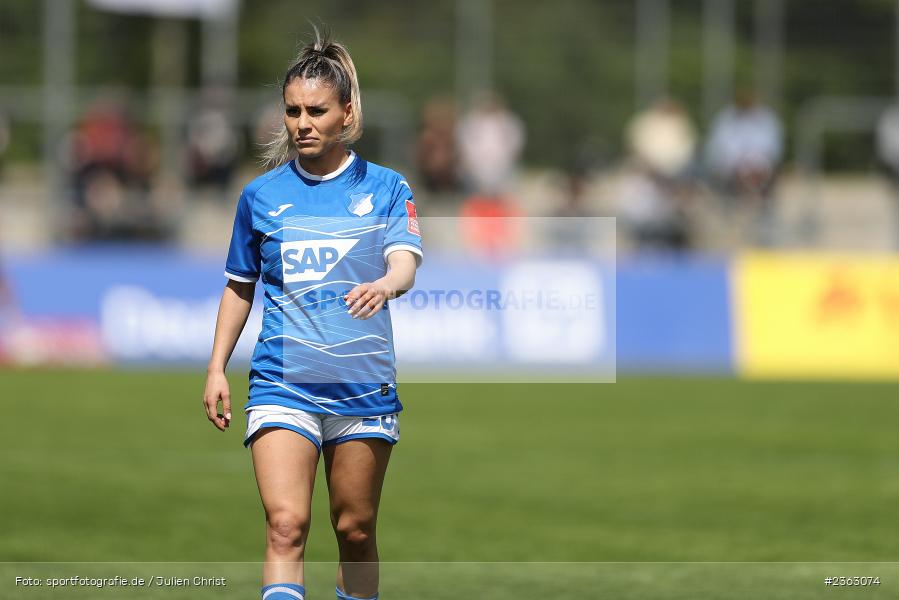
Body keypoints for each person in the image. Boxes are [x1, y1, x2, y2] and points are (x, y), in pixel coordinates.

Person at [203, 30, 422, 600]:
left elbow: (405, 263)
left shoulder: (386, 188)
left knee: (355, 530)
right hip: (283, 382)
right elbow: (239, 287)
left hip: (362, 385)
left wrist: (386, 284)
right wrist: (215, 367)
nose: (301, 122)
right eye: (293, 111)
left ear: (347, 113)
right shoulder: (260, 196)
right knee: (286, 526)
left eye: (316, 111)